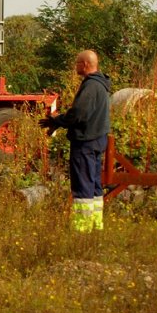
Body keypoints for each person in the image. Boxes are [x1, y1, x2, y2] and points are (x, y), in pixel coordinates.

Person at [40, 50, 111, 232]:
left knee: (83, 185)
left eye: (78, 63)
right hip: (97, 140)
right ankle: (96, 225)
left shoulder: (90, 86)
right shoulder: (101, 85)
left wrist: (57, 120)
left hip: (85, 142)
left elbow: (79, 114)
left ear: (85, 64)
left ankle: (82, 228)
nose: (76, 66)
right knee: (95, 184)